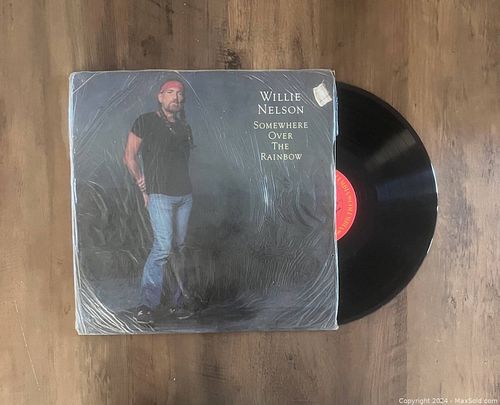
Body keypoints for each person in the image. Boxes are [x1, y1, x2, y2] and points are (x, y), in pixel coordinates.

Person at [123, 79, 195, 325]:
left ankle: (178, 303)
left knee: (179, 248)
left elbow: (181, 162)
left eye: (180, 93)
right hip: (160, 196)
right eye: (170, 92)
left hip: (185, 196)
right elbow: (129, 156)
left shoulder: (184, 127)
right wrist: (143, 185)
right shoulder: (145, 121)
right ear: (160, 96)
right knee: (163, 248)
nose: (176, 97)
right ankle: (146, 306)